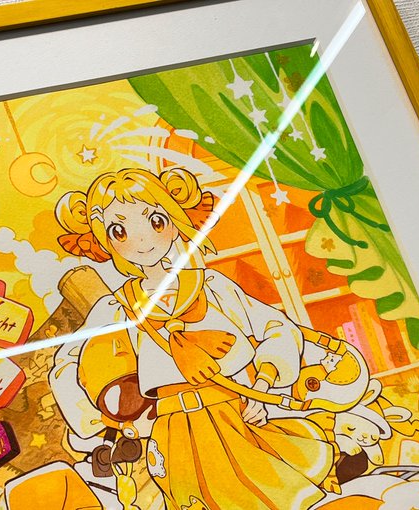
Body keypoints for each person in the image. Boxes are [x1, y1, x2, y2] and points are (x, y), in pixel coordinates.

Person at [51, 168, 334, 510]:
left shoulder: (211, 287)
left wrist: (263, 385)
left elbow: (277, 328)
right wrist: (106, 420)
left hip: (235, 413)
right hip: (171, 431)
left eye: (155, 221)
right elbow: (66, 364)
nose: (142, 240)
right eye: (120, 231)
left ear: (174, 222)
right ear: (106, 243)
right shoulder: (118, 308)